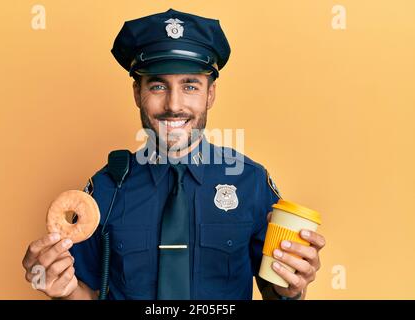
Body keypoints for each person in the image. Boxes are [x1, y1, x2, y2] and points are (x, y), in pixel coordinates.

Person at [22, 8, 325, 300]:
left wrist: (292, 289)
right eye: (157, 86)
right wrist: (60, 287)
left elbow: (277, 290)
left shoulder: (251, 182)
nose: (174, 105)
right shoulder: (104, 189)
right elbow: (85, 292)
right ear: (137, 93)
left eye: (190, 86)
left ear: (210, 94)